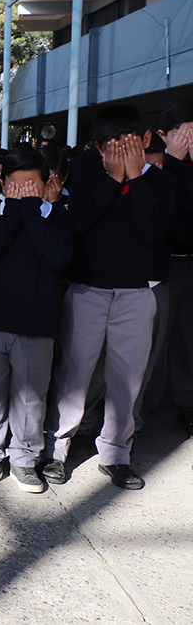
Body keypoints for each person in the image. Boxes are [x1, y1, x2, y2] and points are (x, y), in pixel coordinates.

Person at [43, 105, 175, 491]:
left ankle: (116, 453)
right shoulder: (84, 174)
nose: (118, 152)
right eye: (110, 146)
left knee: (127, 379)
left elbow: (151, 230)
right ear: (98, 148)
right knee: (74, 373)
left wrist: (134, 179)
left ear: (145, 141)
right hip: (87, 290)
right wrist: (113, 180)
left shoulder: (161, 182)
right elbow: (80, 224)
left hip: (137, 294)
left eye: (128, 144)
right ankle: (57, 447)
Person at [0, 148, 72, 492]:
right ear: (3, 184)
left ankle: (25, 460)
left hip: (35, 325)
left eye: (32, 185)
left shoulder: (56, 216)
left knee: (30, 400)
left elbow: (57, 255)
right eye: (16, 185)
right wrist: (13, 214)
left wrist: (30, 213)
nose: (25, 192)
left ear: (46, 184)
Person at [155, 102, 193, 437]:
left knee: (187, 337)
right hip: (163, 266)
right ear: (164, 136)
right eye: (183, 134)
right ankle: (139, 407)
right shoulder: (158, 168)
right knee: (152, 339)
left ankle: (186, 403)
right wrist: (172, 162)